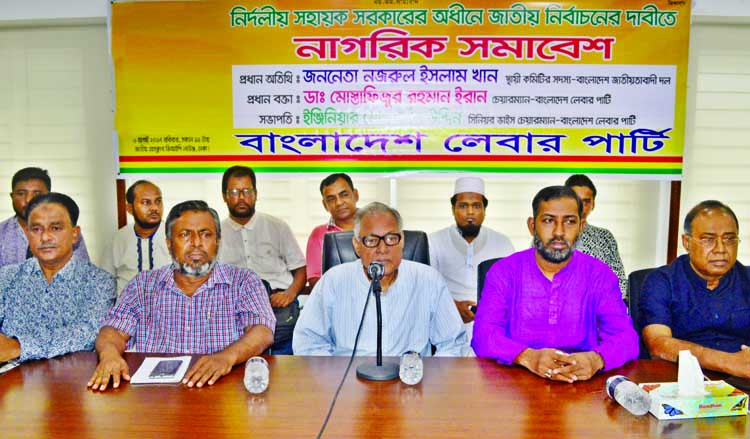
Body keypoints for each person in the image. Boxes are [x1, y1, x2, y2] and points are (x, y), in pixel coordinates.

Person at [87, 200, 275, 391]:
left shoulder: (243, 281)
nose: (196, 243)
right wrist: (109, 355)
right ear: (169, 244)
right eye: (185, 235)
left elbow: (262, 331)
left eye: (206, 234)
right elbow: (113, 330)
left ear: (218, 242)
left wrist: (226, 357)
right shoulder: (143, 285)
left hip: (223, 393)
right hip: (159, 397)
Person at [472, 186, 638, 382]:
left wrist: (596, 360)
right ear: (532, 226)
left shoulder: (599, 275)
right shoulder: (504, 272)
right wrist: (527, 357)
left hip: (582, 386)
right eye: (549, 221)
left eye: (569, 222)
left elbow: (627, 338)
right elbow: (484, 334)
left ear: (581, 227)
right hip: (514, 384)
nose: (559, 232)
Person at [293, 202, 467, 357]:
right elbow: (308, 341)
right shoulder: (334, 281)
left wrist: (424, 379)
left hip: (410, 384)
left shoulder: (428, 280)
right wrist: (336, 376)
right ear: (356, 245)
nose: (382, 249)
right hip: (348, 381)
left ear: (402, 241)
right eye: (371, 240)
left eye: (391, 238)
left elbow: (453, 344)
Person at [0, 192, 115, 363]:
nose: (45, 237)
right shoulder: (6, 277)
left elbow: (88, 334)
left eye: (55, 228)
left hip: (71, 382)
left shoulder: (99, 281)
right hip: (9, 383)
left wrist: (18, 347)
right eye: (36, 229)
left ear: (75, 234)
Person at [639, 200, 750, 377]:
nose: (721, 249)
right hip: (681, 381)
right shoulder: (662, 281)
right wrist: (729, 362)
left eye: (729, 239)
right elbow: (658, 345)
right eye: (708, 240)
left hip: (743, 381)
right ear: (686, 242)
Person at [217, 166, 306, 355]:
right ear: (224, 196)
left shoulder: (277, 226)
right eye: (234, 192)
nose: (241, 197)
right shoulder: (215, 233)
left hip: (279, 305)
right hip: (234, 311)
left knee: (285, 371)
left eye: (247, 191)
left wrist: (290, 294)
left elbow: (300, 268)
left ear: (256, 194)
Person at [429, 176, 514, 346]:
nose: (470, 212)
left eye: (476, 206)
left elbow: (512, 291)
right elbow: (426, 289)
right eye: (463, 206)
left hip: (492, 328)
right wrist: (452, 307)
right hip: (445, 323)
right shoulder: (433, 241)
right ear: (453, 209)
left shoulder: (503, 242)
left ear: (484, 210)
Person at [0, 167, 89, 267]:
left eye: (37, 193)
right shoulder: (2, 233)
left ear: (48, 196)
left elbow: (84, 273)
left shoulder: (68, 232)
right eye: (21, 193)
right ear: (12, 197)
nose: (28, 200)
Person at [100, 180, 171, 295]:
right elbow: (104, 286)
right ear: (129, 208)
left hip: (166, 310)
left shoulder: (176, 237)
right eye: (146, 202)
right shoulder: (117, 240)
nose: (154, 208)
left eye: (158, 201)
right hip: (126, 310)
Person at [564, 174, 627, 299]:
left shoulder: (605, 237)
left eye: (586, 201)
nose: (581, 207)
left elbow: (620, 284)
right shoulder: (547, 236)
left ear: (593, 204)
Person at [305, 173, 359, 289]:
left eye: (344, 195)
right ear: (325, 205)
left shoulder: (375, 226)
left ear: (355, 195)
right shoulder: (318, 235)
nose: (339, 202)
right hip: (336, 300)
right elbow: (314, 280)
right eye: (331, 199)